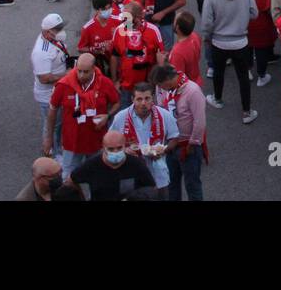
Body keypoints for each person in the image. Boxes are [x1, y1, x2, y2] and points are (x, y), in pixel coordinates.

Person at [198, 0, 259, 124]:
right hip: (240, 41)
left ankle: (217, 99)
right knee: (243, 77)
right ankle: (246, 111)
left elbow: (207, 22)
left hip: (219, 42)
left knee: (218, 72)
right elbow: (254, 13)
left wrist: (207, 37)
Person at [46, 52, 119, 179]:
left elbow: (116, 103)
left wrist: (108, 115)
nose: (81, 75)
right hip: (72, 144)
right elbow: (52, 111)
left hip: (97, 142)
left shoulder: (105, 83)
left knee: (98, 179)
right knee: (68, 179)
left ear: (94, 69)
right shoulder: (63, 85)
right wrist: (49, 138)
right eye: (79, 71)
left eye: (86, 72)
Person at [109, 82, 180, 196]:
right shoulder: (121, 117)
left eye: (147, 98)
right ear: (132, 99)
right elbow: (110, 141)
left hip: (157, 173)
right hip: (129, 173)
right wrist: (124, 151)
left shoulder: (164, 115)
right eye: (139, 99)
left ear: (153, 99)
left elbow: (175, 137)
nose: (143, 103)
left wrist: (164, 150)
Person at [153, 63, 207, 202]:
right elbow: (161, 109)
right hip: (170, 144)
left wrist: (192, 144)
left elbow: (199, 121)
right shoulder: (166, 90)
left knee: (192, 185)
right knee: (171, 184)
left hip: (187, 146)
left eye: (160, 84)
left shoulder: (192, 91)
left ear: (167, 80)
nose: (159, 89)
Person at [69, 130, 158, 201]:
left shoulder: (136, 164)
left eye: (119, 148)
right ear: (103, 148)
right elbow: (71, 182)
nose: (115, 152)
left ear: (125, 146)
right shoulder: (91, 165)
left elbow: (151, 188)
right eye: (111, 149)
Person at [31, 13, 71, 159]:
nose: (61, 31)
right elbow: (44, 78)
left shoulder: (53, 40)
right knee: (52, 125)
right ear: (48, 32)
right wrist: (67, 75)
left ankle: (56, 148)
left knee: (57, 124)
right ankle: (51, 154)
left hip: (58, 91)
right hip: (49, 96)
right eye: (58, 29)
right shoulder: (41, 52)